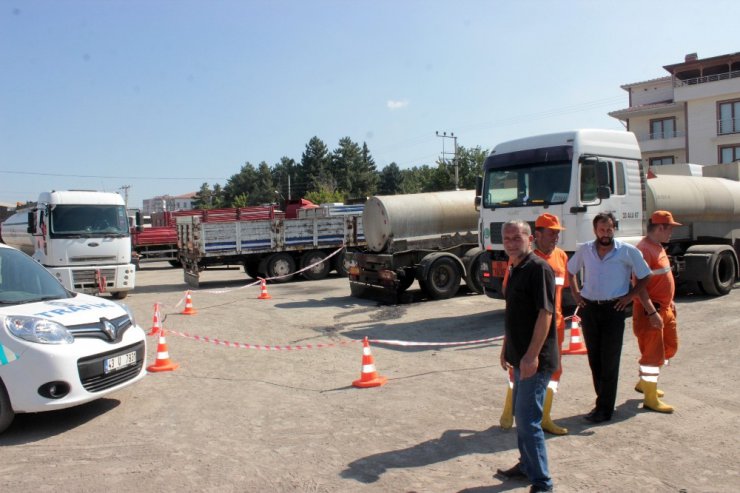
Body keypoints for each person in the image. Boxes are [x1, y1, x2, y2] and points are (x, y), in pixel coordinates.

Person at [567, 212, 652, 424]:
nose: (606, 233)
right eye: (602, 229)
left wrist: (630, 297)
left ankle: (605, 410)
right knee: (595, 359)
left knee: (610, 359)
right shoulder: (585, 250)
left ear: (614, 229)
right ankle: (602, 402)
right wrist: (576, 294)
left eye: (609, 229)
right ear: (595, 230)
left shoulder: (626, 251)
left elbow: (645, 275)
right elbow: (570, 271)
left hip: (613, 309)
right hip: (589, 309)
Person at [496, 220, 557, 493]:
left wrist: (532, 356)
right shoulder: (516, 267)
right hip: (519, 356)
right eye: (506, 238)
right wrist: (507, 347)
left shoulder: (538, 268)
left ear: (529, 238)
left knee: (529, 420)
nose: (511, 242)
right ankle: (526, 466)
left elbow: (546, 314)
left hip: (536, 360)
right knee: (523, 418)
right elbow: (516, 312)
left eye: (516, 237)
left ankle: (542, 484)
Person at [499, 213, 570, 435]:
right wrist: (506, 342)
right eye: (551, 233)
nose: (555, 237)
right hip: (532, 325)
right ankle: (511, 409)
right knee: (520, 370)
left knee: (553, 371)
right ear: (535, 235)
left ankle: (545, 416)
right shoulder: (524, 263)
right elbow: (511, 301)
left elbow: (562, 291)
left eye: (558, 233)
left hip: (554, 325)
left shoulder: (561, 257)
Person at [632, 210, 681, 413]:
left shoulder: (658, 246)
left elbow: (663, 278)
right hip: (650, 312)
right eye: (670, 228)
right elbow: (639, 285)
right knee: (652, 356)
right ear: (660, 228)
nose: (671, 232)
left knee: (670, 348)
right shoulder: (643, 250)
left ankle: (645, 383)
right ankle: (650, 398)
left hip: (665, 308)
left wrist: (671, 301)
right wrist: (652, 312)